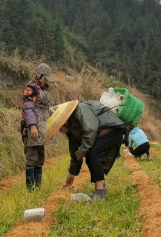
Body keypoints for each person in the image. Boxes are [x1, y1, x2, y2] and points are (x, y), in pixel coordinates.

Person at [58, 100, 128, 202]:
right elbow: (75, 152)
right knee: (90, 156)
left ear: (64, 121)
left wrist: (83, 149)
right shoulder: (70, 130)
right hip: (100, 132)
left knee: (95, 155)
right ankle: (98, 189)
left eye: (59, 127)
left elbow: (91, 128)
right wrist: (72, 173)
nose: (60, 131)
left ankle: (101, 191)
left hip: (111, 128)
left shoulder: (81, 109)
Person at [20, 63, 55, 191]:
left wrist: (52, 126)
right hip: (30, 128)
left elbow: (47, 108)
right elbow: (28, 108)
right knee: (32, 158)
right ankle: (31, 190)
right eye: (45, 78)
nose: (46, 81)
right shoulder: (30, 88)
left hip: (42, 127)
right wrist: (32, 126)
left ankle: (37, 189)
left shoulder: (45, 88)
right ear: (40, 75)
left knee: (40, 158)